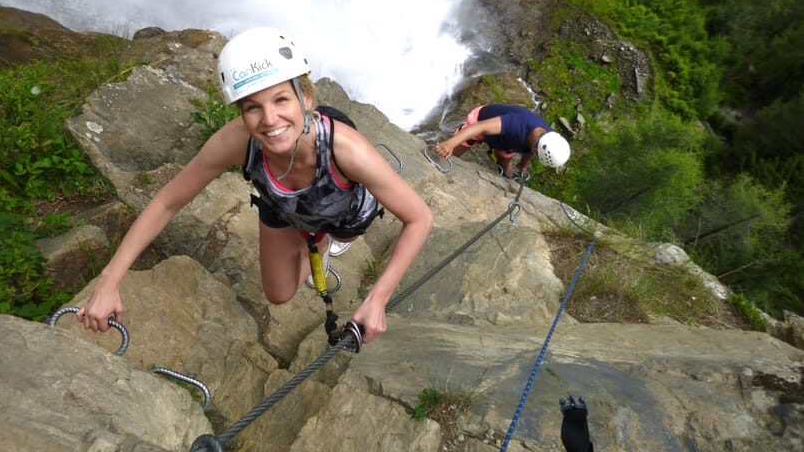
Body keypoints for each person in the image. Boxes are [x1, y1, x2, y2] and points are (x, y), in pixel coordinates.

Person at [77, 26, 433, 346]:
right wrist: (109, 280)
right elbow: (168, 202)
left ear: (305, 98)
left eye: (281, 100)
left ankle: (325, 240)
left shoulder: (347, 149)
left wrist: (377, 299)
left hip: (343, 207)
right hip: (282, 204)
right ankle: (315, 240)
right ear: (240, 113)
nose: (269, 120)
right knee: (278, 294)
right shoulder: (237, 141)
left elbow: (419, 218)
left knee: (340, 230)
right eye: (252, 108)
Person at [434, 104, 570, 177]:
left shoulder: (545, 139)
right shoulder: (516, 124)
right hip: (481, 121)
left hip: (507, 140)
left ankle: (504, 176)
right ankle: (436, 167)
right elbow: (480, 127)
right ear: (537, 148)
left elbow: (529, 153)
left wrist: (522, 167)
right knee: (450, 155)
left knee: (505, 167)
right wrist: (450, 144)